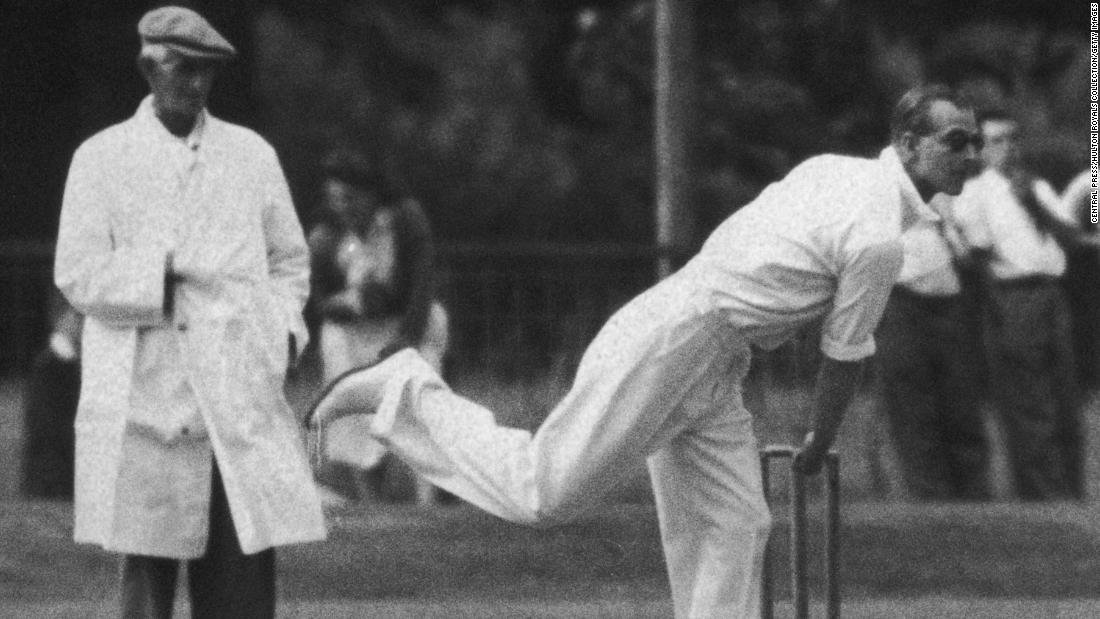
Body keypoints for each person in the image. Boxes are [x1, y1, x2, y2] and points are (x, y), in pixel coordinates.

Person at [308, 84, 980, 618]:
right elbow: (844, 354)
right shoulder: (879, 238)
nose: (971, 154)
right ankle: (404, 388)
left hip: (713, 351)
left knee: (737, 524)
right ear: (909, 143)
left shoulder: (838, 171)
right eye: (956, 140)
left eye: (975, 141)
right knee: (544, 490)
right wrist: (817, 441)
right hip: (680, 337)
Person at [53, 7, 325, 618]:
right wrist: (162, 271)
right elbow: (76, 272)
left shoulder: (251, 155)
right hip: (146, 393)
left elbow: (290, 262)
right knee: (148, 581)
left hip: (236, 391)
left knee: (241, 575)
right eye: (181, 68)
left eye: (206, 72)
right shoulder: (101, 158)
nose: (195, 84)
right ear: (148, 67)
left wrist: (280, 335)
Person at [953, 111, 1095, 500]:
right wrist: (996, 310)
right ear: (981, 150)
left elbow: (1070, 238)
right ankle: (1042, 494)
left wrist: (1033, 201)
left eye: (1013, 139)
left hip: (1052, 293)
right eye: (997, 141)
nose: (1008, 148)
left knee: (1065, 398)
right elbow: (978, 256)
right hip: (1012, 296)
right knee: (1029, 403)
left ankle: (1072, 492)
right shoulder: (974, 194)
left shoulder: (1037, 186)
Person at [307, 153, 450, 504]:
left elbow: (422, 281)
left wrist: (408, 338)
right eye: (336, 199)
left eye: (351, 198)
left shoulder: (405, 220)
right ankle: (372, 499)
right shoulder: (326, 238)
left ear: (372, 193)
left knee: (420, 393)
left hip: (407, 328)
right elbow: (317, 300)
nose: (344, 207)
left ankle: (428, 498)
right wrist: (347, 304)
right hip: (356, 333)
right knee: (350, 386)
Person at [874, 191, 991, 501]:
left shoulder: (945, 197)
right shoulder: (881, 192)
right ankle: (930, 497)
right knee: (913, 405)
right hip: (902, 302)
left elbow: (967, 256)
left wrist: (949, 222)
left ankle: (975, 497)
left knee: (961, 403)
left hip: (949, 305)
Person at [20, 293, 82, 499]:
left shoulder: (72, 365)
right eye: (78, 316)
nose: (84, 324)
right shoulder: (48, 367)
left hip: (64, 481)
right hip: (51, 485)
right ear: (60, 317)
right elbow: (47, 428)